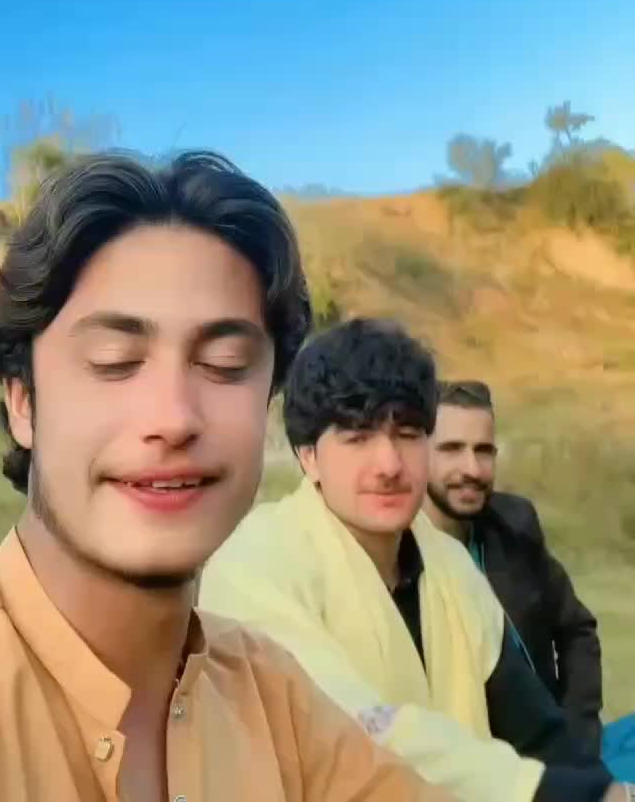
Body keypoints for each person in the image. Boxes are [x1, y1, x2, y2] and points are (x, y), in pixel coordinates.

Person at [0, 152, 455, 802]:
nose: (173, 418)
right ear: (24, 401)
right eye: (115, 359)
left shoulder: (272, 699)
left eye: (225, 363)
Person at [200, 317, 629, 802]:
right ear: (309, 456)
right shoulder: (254, 563)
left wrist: (602, 790)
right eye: (358, 437)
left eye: (407, 434)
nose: (389, 464)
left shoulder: (450, 565)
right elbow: (349, 733)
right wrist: (553, 791)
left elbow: (537, 731)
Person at [423, 379, 602, 750]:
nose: (472, 468)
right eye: (452, 449)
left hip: (557, 746)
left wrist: (580, 735)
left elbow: (576, 629)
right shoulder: (403, 558)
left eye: (483, 451)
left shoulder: (514, 523)